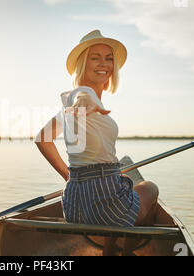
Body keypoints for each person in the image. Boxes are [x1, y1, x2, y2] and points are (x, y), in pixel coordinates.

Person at [34, 30, 159, 256]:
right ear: (83, 63)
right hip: (105, 205)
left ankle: (108, 251)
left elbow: (42, 138)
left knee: (123, 175)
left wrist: (68, 176)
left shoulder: (69, 105)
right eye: (95, 57)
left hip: (74, 207)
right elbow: (83, 98)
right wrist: (87, 105)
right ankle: (126, 251)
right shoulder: (83, 95)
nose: (104, 64)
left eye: (108, 58)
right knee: (150, 188)